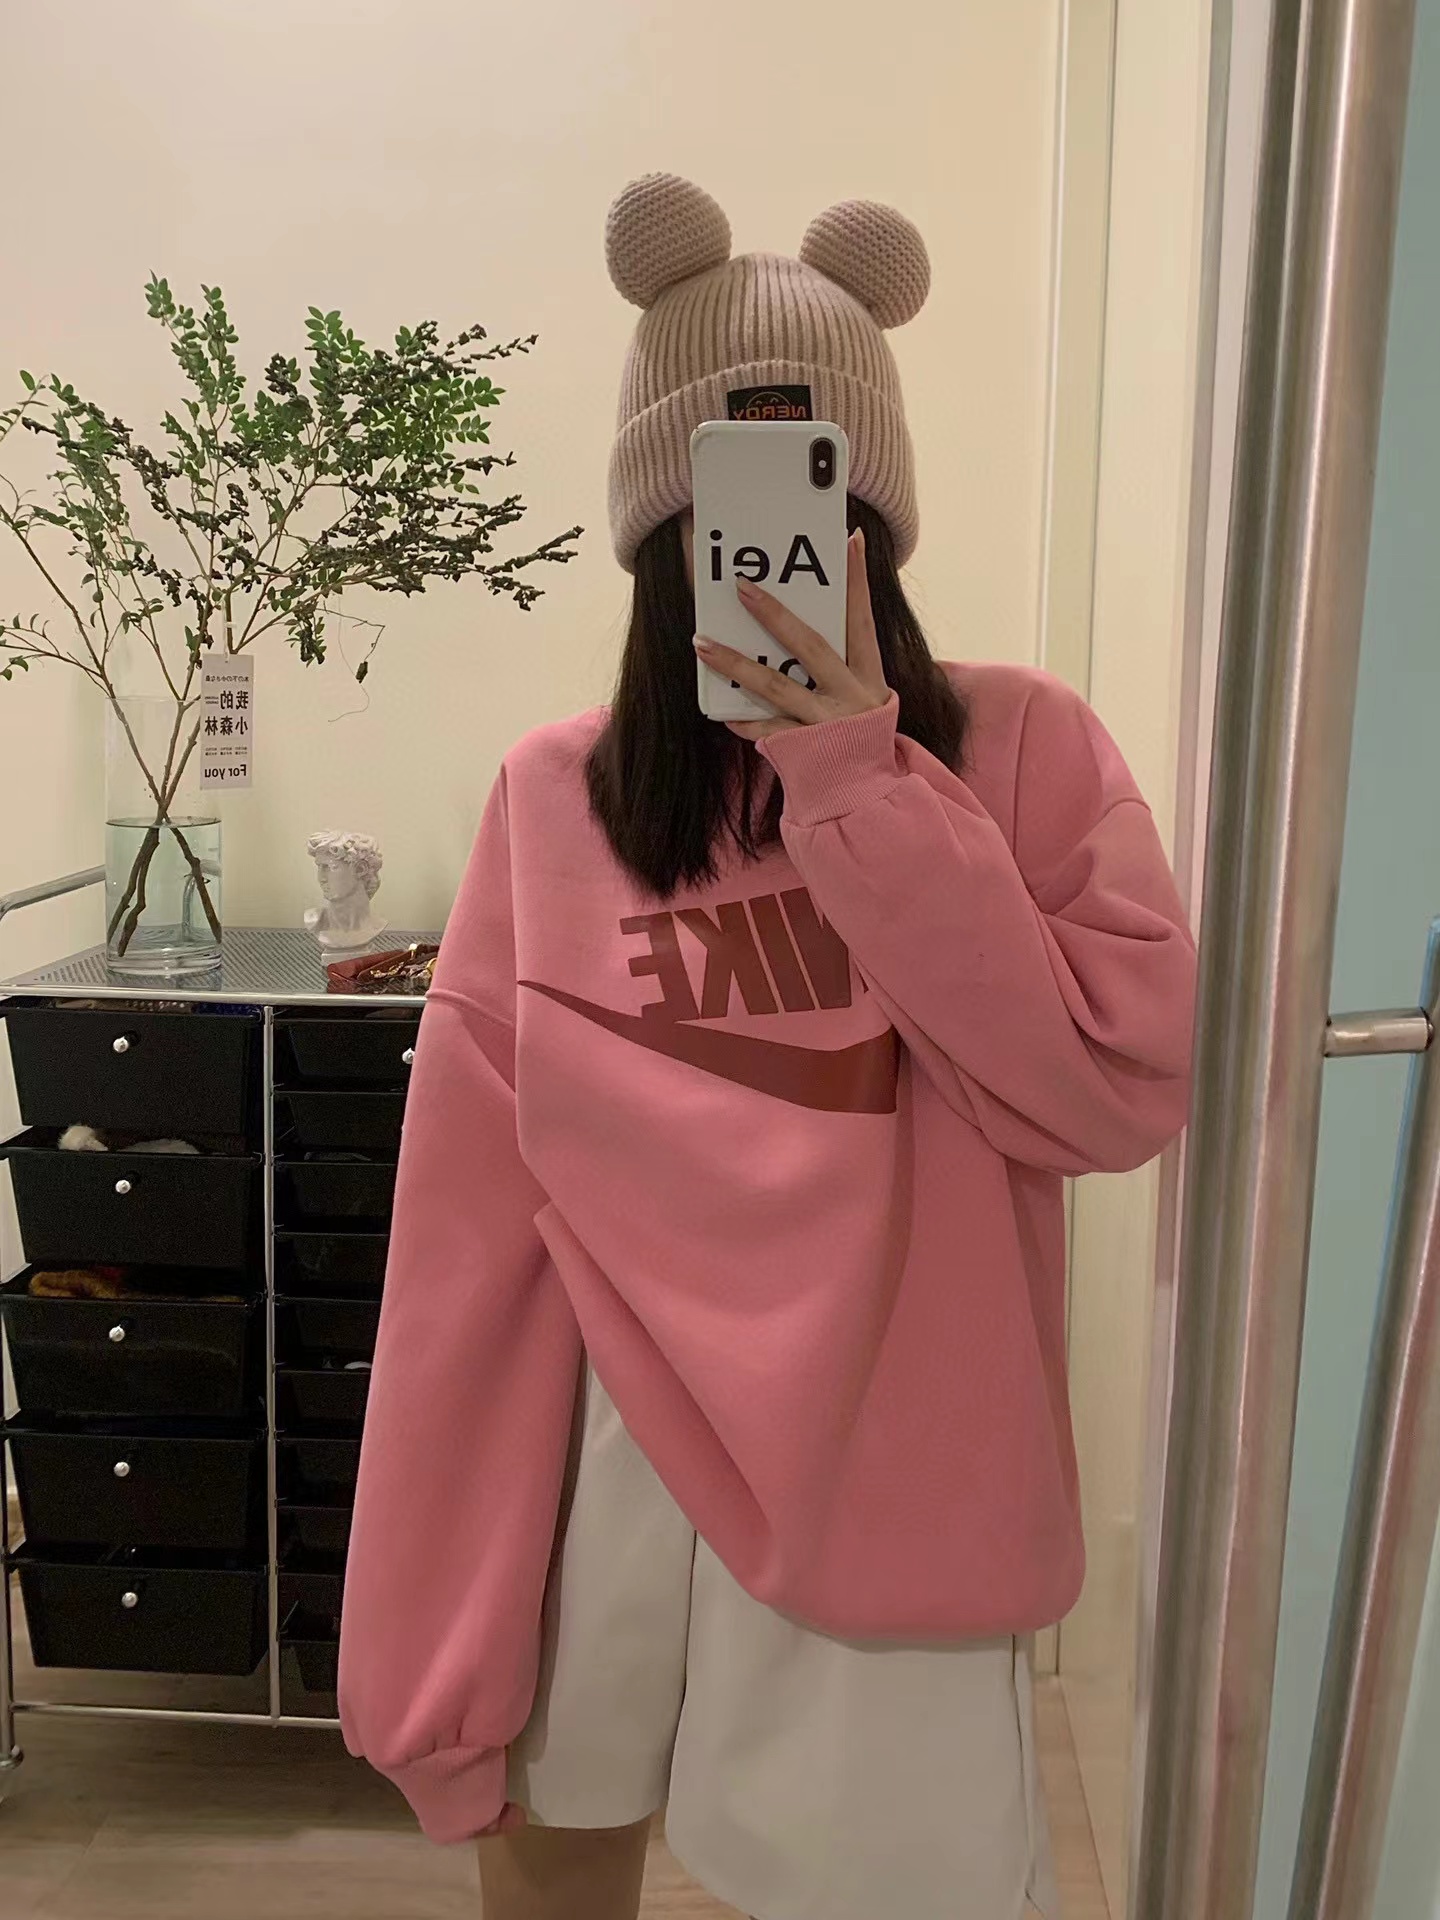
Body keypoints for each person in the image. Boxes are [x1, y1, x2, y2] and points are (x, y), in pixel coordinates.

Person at [338, 174, 1197, 1920]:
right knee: (555, 1886)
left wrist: (861, 776)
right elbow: (465, 1243)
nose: (770, 548)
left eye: (817, 497)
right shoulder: (553, 797)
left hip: (892, 1471)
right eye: (723, 503)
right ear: (656, 527)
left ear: (876, 516)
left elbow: (1111, 1093)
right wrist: (432, 1615)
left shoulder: (1024, 752)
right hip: (601, 1457)